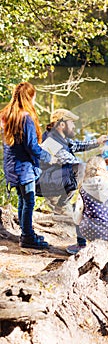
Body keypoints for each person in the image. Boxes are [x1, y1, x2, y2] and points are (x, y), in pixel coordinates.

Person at [0, 82, 55, 249]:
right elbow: (31, 146)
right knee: (29, 201)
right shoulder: (26, 118)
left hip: (11, 165)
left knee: (23, 200)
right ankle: (27, 238)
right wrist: (48, 156)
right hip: (24, 167)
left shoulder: (6, 114)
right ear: (29, 97)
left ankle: (27, 233)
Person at [36, 108, 108, 211]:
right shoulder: (50, 142)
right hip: (44, 183)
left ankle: (58, 205)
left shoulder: (61, 138)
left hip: (53, 178)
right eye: (72, 123)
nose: (74, 126)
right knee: (81, 169)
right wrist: (102, 160)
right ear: (62, 125)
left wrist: (97, 142)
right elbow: (73, 163)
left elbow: (77, 145)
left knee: (80, 170)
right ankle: (60, 206)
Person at [66, 156, 108, 255]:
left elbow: (77, 217)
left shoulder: (83, 189)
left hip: (91, 232)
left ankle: (81, 245)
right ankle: (107, 243)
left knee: (78, 213)